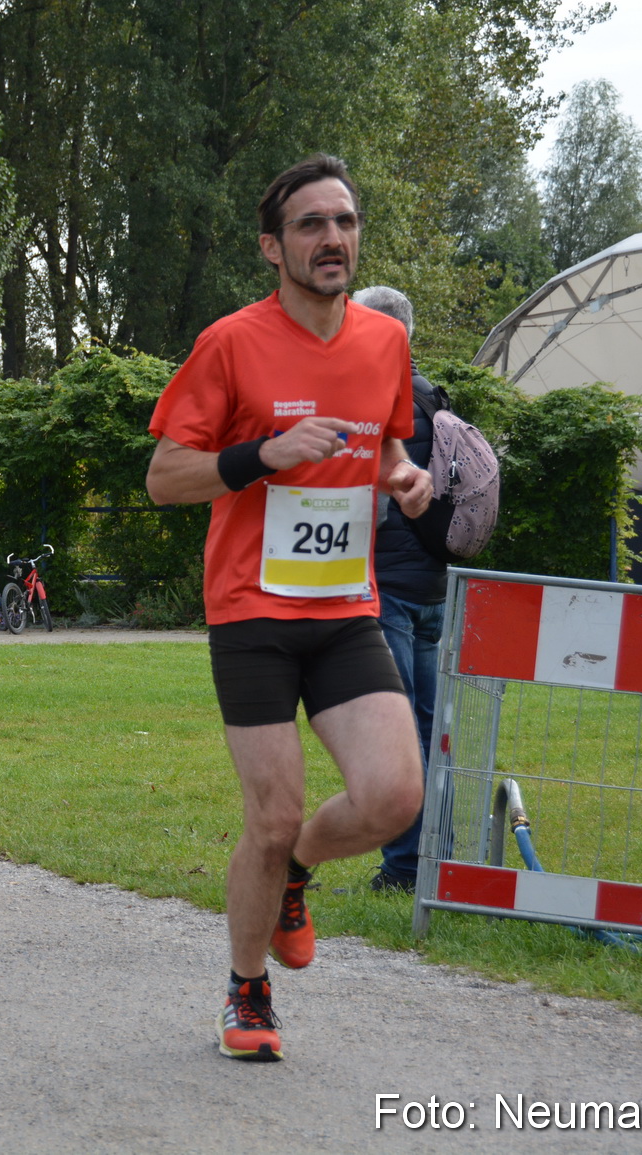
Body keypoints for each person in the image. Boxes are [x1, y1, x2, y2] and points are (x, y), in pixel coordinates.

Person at [145, 154, 431, 1063]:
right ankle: (248, 988)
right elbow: (163, 479)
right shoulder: (231, 342)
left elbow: (380, 451)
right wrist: (262, 454)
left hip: (345, 607)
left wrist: (405, 476)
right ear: (274, 247)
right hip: (253, 611)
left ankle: (298, 871)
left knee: (394, 795)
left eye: (344, 221)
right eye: (310, 224)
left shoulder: (385, 342)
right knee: (266, 816)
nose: (332, 238)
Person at [350, 286, 446, 894]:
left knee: (396, 730)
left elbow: (381, 496)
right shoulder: (436, 396)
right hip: (433, 585)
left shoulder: (380, 396)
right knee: (433, 729)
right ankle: (440, 856)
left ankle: (407, 867)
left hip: (389, 586)